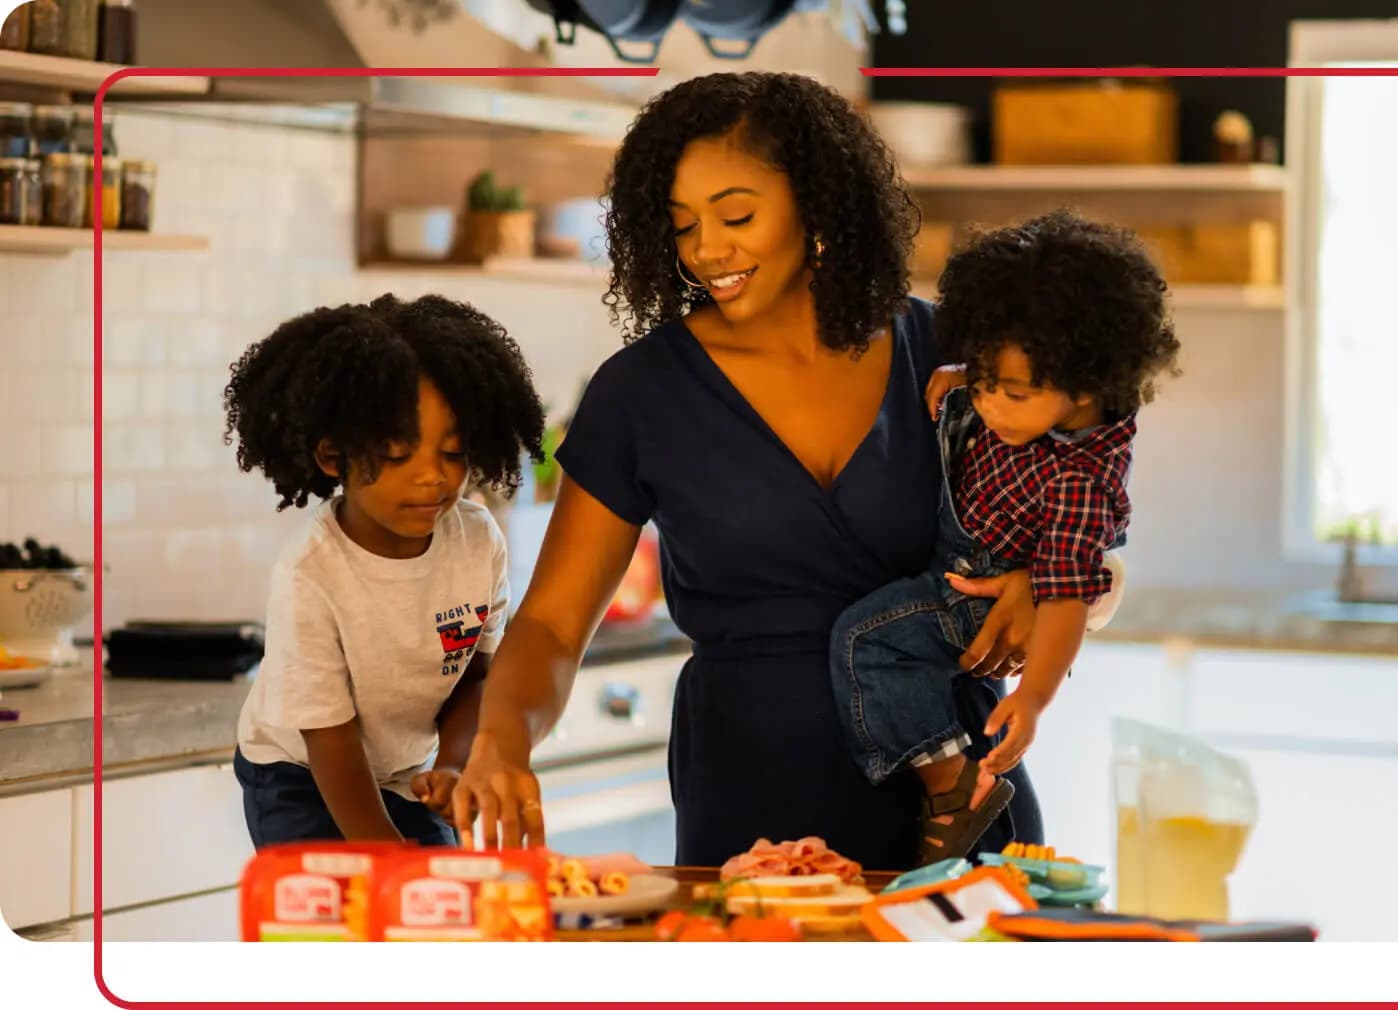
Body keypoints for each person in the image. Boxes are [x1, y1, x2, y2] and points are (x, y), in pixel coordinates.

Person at [450, 72, 1120, 870]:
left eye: (736, 215)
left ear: (816, 199)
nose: (707, 251)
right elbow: (555, 625)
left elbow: (1088, 533)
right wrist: (500, 739)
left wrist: (1046, 592)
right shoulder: (643, 392)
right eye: (683, 226)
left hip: (957, 799)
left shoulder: (946, 357)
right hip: (753, 800)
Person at [829, 209, 1180, 865]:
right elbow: (1002, 380)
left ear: (1084, 390)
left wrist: (1034, 697)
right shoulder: (1024, 391)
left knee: (863, 641)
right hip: (962, 563)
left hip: (974, 589)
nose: (991, 404)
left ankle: (950, 784)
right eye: (984, 378)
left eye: (1010, 392)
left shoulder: (1079, 480)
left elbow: (1069, 596)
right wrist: (969, 379)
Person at [225, 294, 545, 848]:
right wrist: (388, 854)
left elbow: (475, 676)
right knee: (349, 920)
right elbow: (329, 737)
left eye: (453, 453)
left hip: (405, 773)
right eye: (399, 456)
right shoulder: (311, 574)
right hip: (300, 777)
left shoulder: (476, 539)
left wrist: (452, 765)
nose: (432, 479)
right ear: (333, 458)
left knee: (434, 918)